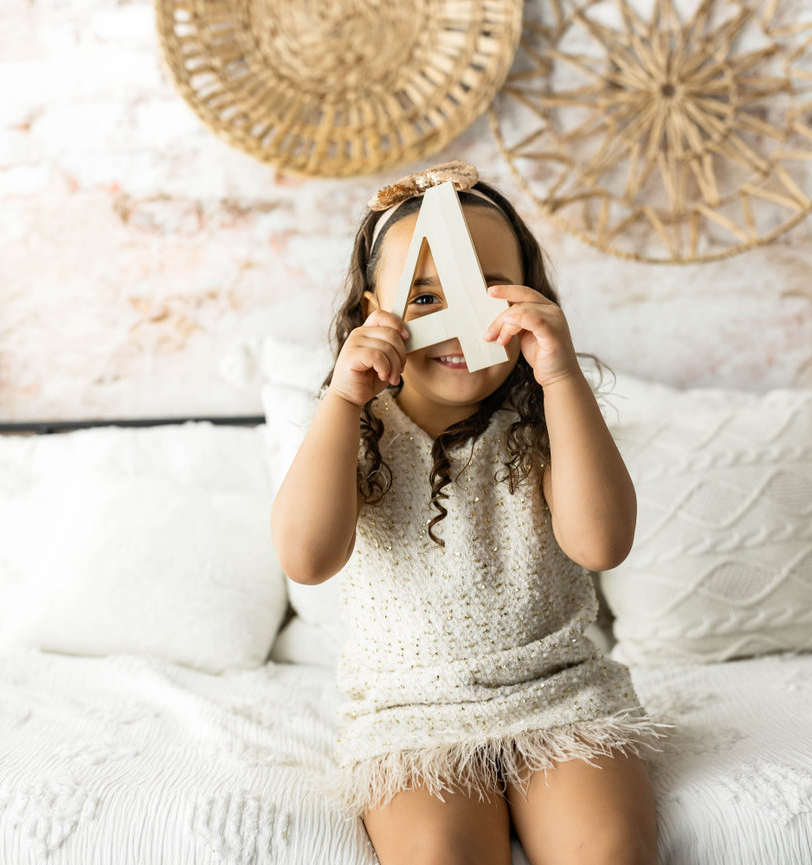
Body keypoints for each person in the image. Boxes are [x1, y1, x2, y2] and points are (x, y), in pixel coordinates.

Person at [270, 161, 673, 865]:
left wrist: (561, 377)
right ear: (372, 314)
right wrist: (340, 402)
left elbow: (602, 542)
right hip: (410, 713)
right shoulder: (356, 427)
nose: (459, 319)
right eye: (426, 297)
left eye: (488, 290)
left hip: (558, 694)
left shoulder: (544, 415)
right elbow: (306, 557)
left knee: (607, 850)